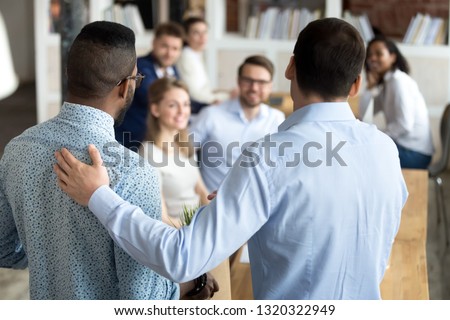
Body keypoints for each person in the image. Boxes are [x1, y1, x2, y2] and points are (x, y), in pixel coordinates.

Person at [54, 18, 408, 299]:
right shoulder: (385, 149)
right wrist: (257, 204)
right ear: (356, 85)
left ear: (289, 68)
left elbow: (182, 258)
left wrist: (98, 196)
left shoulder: (268, 157)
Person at [0, 21, 217, 300]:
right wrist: (194, 284)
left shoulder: (18, 149)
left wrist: (53, 259)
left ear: (70, 74)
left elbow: (4, 249)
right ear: (126, 87)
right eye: (137, 79)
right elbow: (142, 297)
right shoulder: (134, 171)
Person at [190, 55, 285, 192]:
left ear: (271, 86)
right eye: (248, 80)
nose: (254, 88)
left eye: (261, 82)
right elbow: (180, 154)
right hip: (213, 204)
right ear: (239, 81)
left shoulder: (277, 119)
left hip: (260, 205)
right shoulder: (211, 115)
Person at [140, 77, 209, 226]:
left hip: (198, 225)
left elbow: (201, 191)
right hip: (178, 235)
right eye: (173, 105)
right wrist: (197, 231)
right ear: (155, 109)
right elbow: (161, 218)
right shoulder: (148, 154)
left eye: (186, 104)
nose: (182, 111)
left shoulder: (184, 145)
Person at [358, 35, 434, 169]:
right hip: (405, 147)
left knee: (363, 153)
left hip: (415, 153)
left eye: (379, 54)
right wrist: (370, 86)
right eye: (369, 55)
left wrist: (378, 135)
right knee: (362, 150)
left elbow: (404, 124)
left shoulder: (399, 82)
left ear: (392, 57)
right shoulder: (388, 84)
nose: (372, 58)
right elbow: (365, 114)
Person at [115, 22, 185, 151]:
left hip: (155, 140)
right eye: (165, 46)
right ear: (154, 43)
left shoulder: (172, 69)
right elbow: (156, 95)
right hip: (132, 140)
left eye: (175, 49)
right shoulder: (140, 66)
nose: (169, 53)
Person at [176, 17, 234, 114]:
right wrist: (228, 96)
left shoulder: (196, 54)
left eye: (205, 32)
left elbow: (205, 89)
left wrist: (227, 93)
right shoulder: (186, 57)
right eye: (196, 33)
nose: (203, 37)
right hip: (196, 109)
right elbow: (194, 94)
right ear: (185, 36)